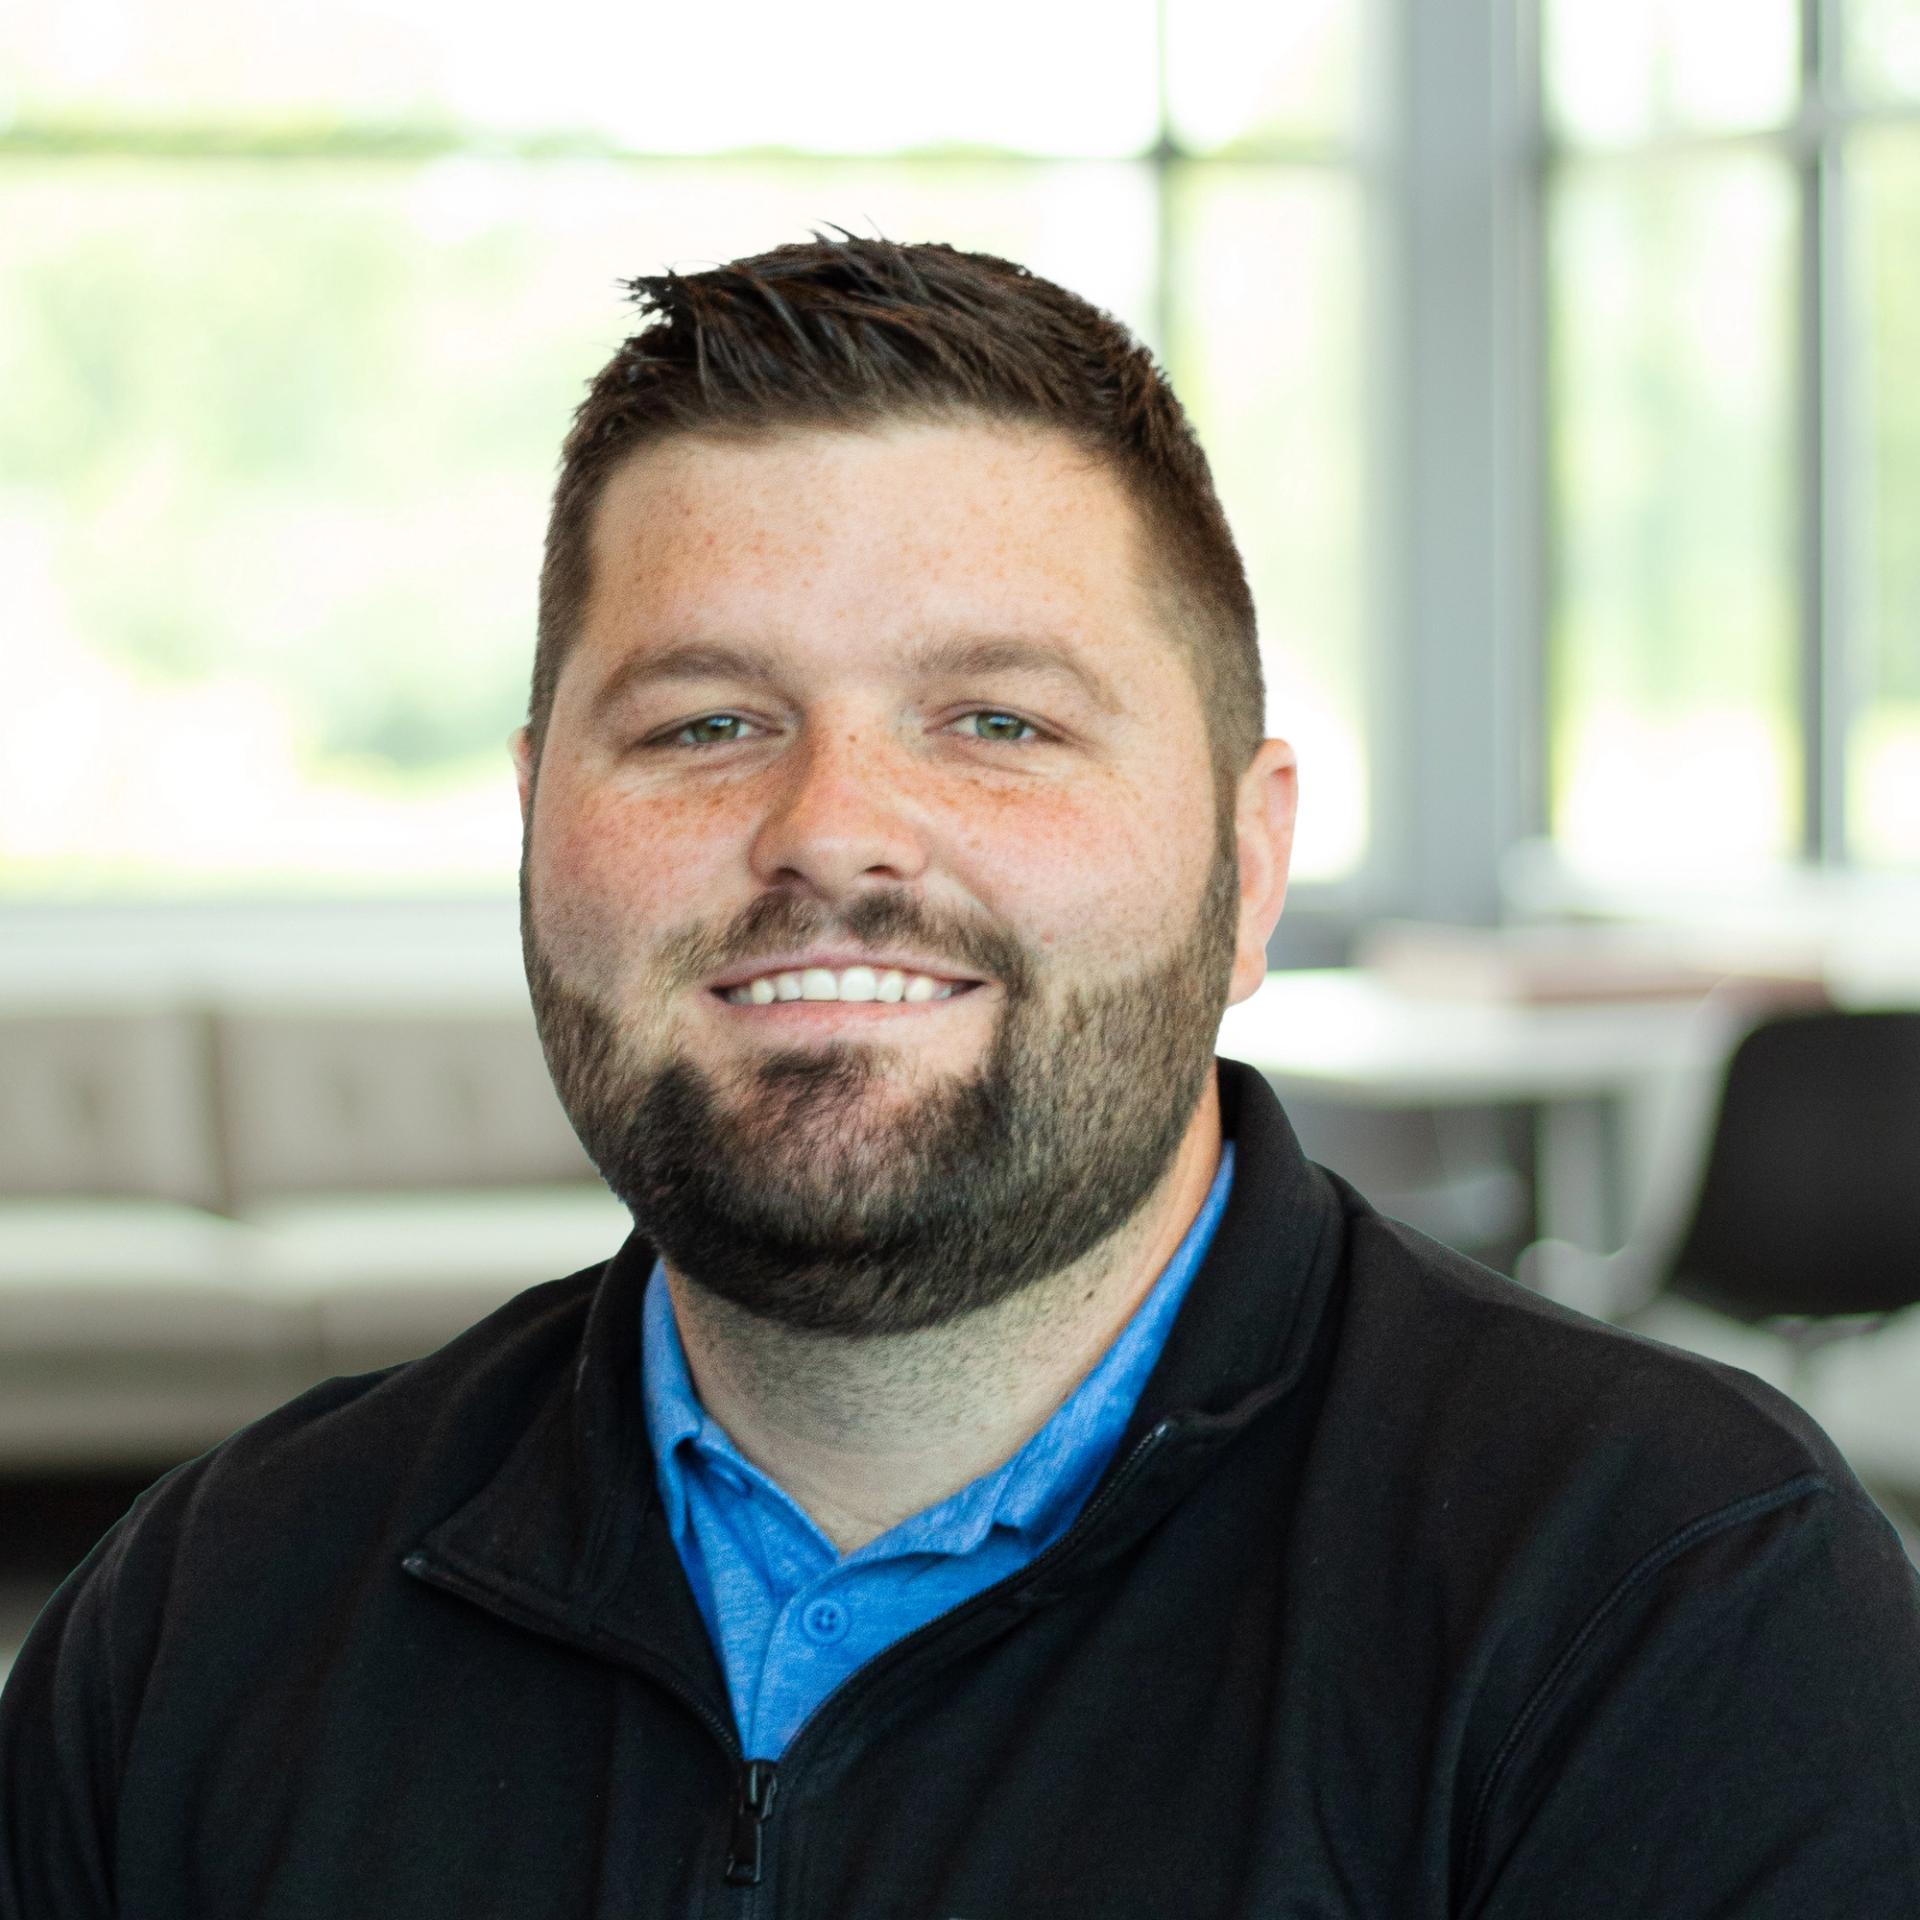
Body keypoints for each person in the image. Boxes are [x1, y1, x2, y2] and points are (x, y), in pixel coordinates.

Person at [3, 235, 1918, 1919]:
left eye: (994, 719)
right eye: (705, 722)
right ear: (533, 826)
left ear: (1246, 867)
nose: (833, 830)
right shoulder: (209, 1616)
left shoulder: (1662, 1605)